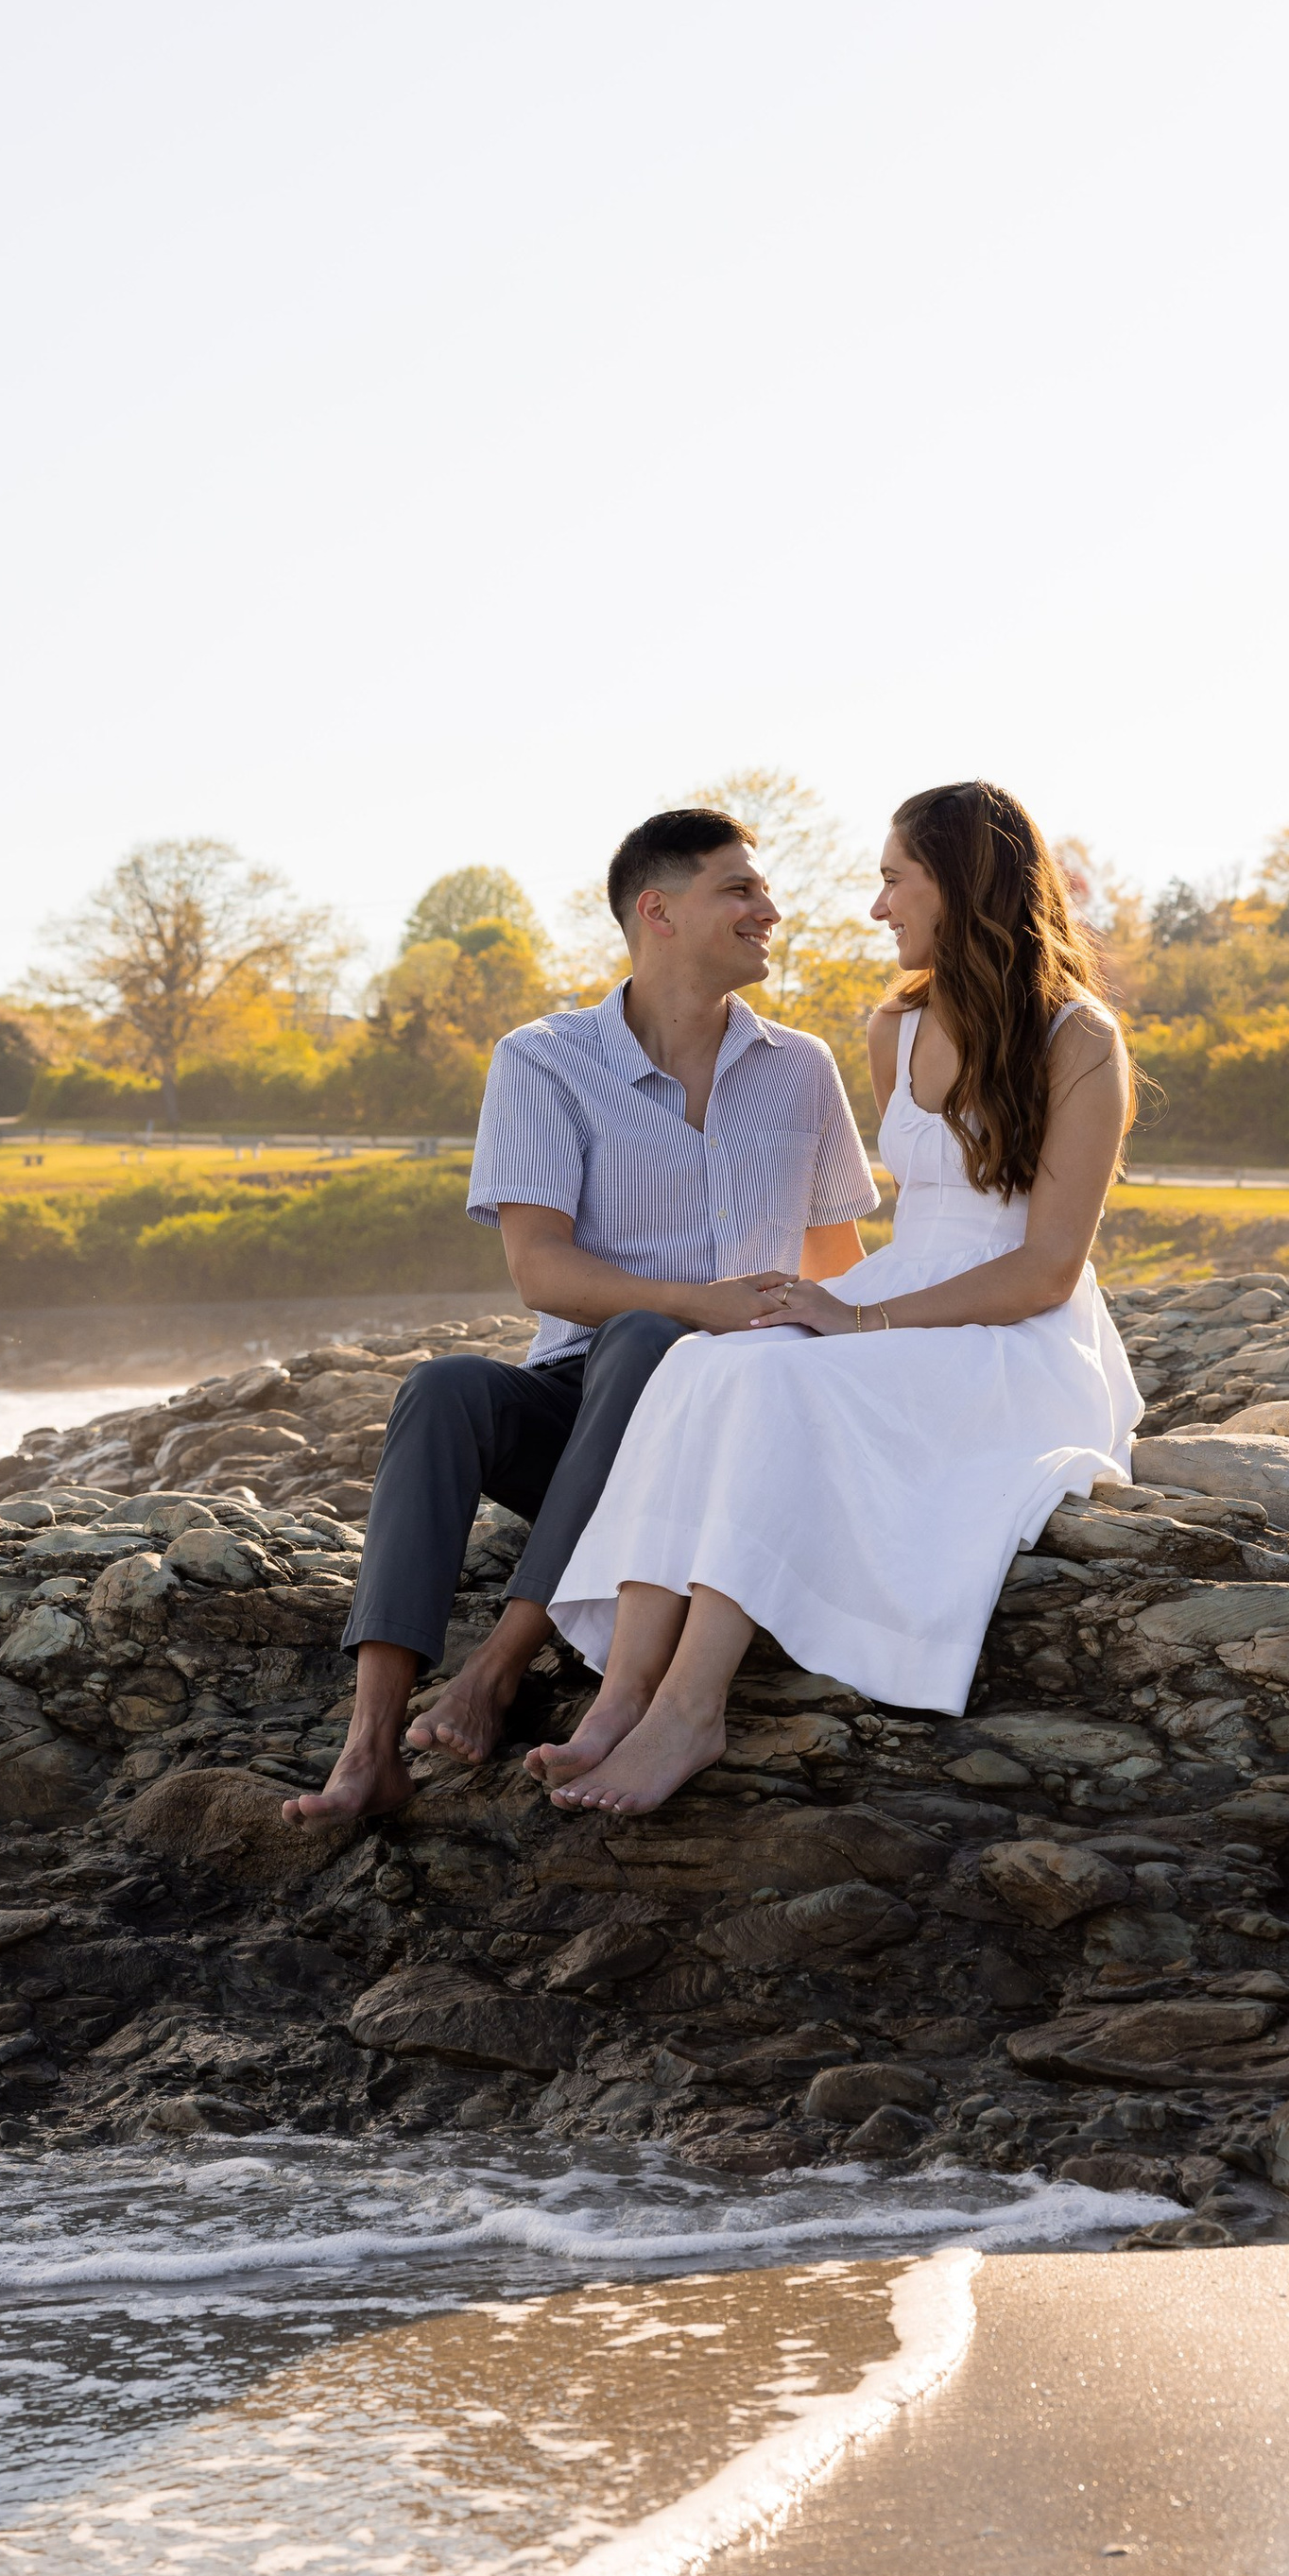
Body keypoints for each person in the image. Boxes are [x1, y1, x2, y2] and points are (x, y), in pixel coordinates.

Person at [533, 777, 1142, 1812]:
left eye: (895, 879)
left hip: (1018, 1333)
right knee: (703, 1366)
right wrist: (848, 1308)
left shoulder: (1078, 1039)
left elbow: (1045, 1267)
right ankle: (621, 1692)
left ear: (959, 881)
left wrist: (861, 1320)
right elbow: (910, 1224)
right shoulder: (892, 1027)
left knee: (783, 1388)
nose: (877, 906)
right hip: (903, 1290)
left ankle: (691, 1708)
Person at [284, 806, 879, 1824]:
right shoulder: (545, 1059)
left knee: (652, 1337)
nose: (770, 910)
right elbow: (541, 1271)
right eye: (740, 889)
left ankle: (499, 1666)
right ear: (658, 910)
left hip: (731, 1424)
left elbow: (837, 1267)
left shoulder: (802, 1069)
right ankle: (369, 1746)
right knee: (442, 1388)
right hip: (584, 1404)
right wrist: (695, 1303)